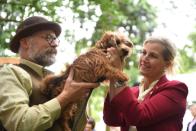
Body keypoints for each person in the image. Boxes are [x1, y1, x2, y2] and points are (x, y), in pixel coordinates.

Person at [0, 16, 99, 131]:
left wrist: (79, 97)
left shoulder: (57, 79)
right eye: (49, 38)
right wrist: (65, 97)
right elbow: (20, 123)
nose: (55, 44)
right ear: (25, 42)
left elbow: (77, 128)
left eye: (55, 39)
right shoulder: (10, 73)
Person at [103, 36, 188, 131]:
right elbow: (112, 119)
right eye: (143, 53)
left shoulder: (176, 90)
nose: (144, 58)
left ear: (167, 64)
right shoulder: (133, 91)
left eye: (153, 56)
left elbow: (139, 117)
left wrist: (117, 72)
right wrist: (112, 72)